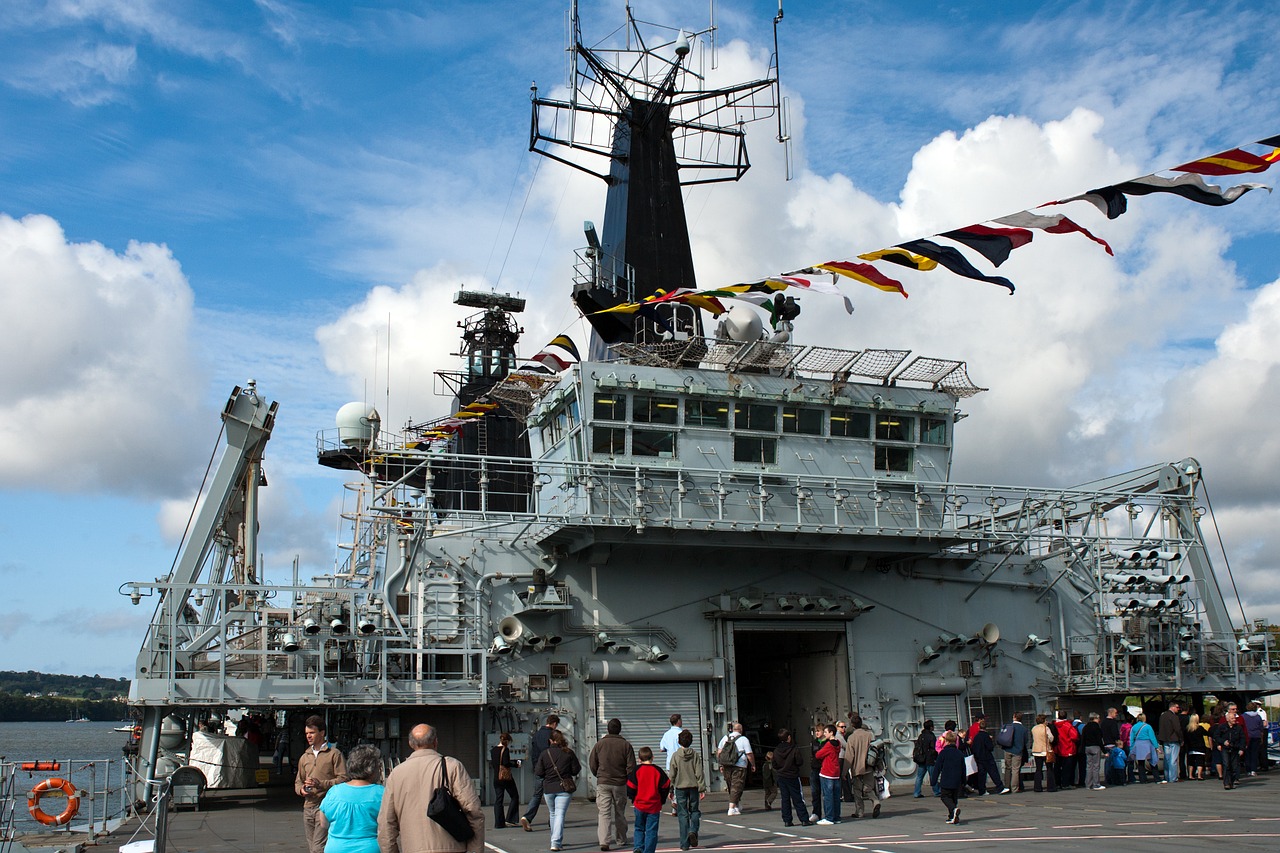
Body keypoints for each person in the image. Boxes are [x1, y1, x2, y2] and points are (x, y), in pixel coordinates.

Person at [377, 723, 484, 853]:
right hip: (452, 847)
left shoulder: (396, 774)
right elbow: (473, 811)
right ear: (435, 741)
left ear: (411, 744)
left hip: (413, 848)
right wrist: (475, 850)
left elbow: (386, 822)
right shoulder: (451, 766)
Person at [297, 715, 348, 853]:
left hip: (325, 806)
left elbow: (343, 778)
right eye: (307, 733)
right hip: (308, 806)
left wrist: (321, 784)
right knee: (312, 846)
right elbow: (298, 781)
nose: (308, 736)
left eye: (312, 733)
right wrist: (301, 790)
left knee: (317, 848)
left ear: (322, 733)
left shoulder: (334, 754)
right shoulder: (304, 757)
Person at [320, 744, 384, 853]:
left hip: (336, 848)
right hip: (369, 848)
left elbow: (324, 823)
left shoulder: (334, 792)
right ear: (372, 768)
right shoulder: (381, 793)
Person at [588, 717, 636, 851]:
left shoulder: (599, 744)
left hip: (603, 782)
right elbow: (631, 766)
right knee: (620, 812)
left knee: (604, 812)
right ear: (620, 730)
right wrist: (626, 777)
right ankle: (621, 839)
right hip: (620, 783)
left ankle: (604, 841)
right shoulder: (626, 745)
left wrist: (598, 774)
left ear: (607, 729)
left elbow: (592, 763)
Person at [533, 730, 581, 852]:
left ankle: (554, 840)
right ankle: (556, 842)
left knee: (553, 813)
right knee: (560, 814)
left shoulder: (545, 753)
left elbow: (538, 772)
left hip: (548, 788)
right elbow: (576, 770)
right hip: (564, 788)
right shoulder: (568, 752)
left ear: (550, 740)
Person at [627, 746, 671, 853]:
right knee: (651, 830)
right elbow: (666, 785)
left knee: (639, 828)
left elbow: (630, 787)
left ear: (639, 759)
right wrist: (662, 799)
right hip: (654, 805)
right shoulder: (658, 771)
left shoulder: (636, 770)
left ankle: (638, 847)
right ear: (652, 757)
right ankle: (649, 850)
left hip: (639, 804)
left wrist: (633, 798)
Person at [520, 714, 560, 831]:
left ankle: (527, 817)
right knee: (554, 795)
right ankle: (553, 819)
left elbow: (533, 752)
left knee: (537, 795)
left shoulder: (536, 734)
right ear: (554, 724)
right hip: (551, 770)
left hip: (538, 768)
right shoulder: (552, 734)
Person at [668, 730, 706, 849]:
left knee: (682, 813)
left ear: (679, 742)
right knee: (694, 811)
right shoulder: (695, 755)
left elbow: (672, 773)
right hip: (693, 786)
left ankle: (684, 844)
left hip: (680, 787)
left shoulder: (675, 755)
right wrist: (702, 788)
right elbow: (699, 772)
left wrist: (670, 788)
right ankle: (693, 831)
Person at [770, 728, 810, 828]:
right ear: (789, 737)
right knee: (797, 798)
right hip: (792, 775)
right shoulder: (794, 749)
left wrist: (780, 768)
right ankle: (804, 819)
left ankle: (787, 820)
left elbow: (774, 764)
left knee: (785, 799)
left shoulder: (776, 750)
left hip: (782, 776)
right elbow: (799, 762)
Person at [843, 715, 880, 819]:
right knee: (868, 787)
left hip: (857, 768)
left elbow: (849, 756)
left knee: (857, 790)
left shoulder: (851, 738)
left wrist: (844, 772)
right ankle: (875, 801)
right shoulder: (869, 735)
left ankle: (859, 812)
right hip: (869, 766)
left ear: (852, 725)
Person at [715, 723, 754, 816]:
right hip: (739, 766)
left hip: (726, 765)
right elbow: (749, 754)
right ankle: (731, 808)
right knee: (737, 786)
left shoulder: (725, 738)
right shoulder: (744, 739)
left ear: (732, 729)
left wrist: (721, 764)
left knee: (730, 785)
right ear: (741, 730)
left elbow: (719, 752)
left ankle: (736, 805)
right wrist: (753, 764)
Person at [935, 731, 966, 825]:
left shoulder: (943, 753)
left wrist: (934, 780)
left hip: (946, 779)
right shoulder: (959, 753)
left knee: (945, 797)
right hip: (957, 780)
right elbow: (963, 768)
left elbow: (937, 767)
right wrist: (963, 780)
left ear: (946, 741)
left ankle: (953, 810)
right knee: (953, 798)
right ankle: (952, 816)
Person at [491, 732, 521, 829]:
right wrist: (515, 764)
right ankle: (510, 819)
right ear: (507, 741)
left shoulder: (493, 750)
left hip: (496, 778)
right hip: (506, 778)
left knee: (499, 800)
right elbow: (506, 763)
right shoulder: (505, 750)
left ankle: (498, 823)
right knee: (515, 796)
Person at [814, 724, 842, 825]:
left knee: (828, 796)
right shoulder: (838, 743)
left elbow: (818, 755)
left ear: (831, 733)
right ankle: (836, 817)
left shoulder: (829, 745)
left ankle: (829, 817)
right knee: (836, 796)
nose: (824, 734)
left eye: (826, 732)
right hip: (836, 772)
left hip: (827, 772)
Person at [1213, 707, 1247, 789]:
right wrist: (1222, 742)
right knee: (1226, 765)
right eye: (1232, 718)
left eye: (1234, 717)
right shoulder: (1222, 727)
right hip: (1225, 748)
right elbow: (1216, 736)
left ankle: (1231, 782)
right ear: (1227, 719)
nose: (1234, 719)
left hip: (1235, 748)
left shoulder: (1238, 728)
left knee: (1234, 767)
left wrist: (1242, 749)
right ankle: (1226, 783)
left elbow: (1243, 738)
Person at [969, 722, 1006, 795]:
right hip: (987, 757)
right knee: (993, 773)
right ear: (986, 728)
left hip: (979, 758)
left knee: (981, 775)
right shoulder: (986, 736)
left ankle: (982, 790)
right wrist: (991, 741)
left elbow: (973, 748)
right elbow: (990, 747)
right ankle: (1000, 787)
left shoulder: (976, 737)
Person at [658, 713, 684, 817]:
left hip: (669, 763)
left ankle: (674, 807)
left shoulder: (666, 734)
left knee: (672, 784)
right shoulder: (681, 733)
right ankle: (678, 804)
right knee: (681, 785)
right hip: (681, 762)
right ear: (678, 721)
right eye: (681, 720)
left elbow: (661, 748)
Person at [1128, 712, 1159, 783]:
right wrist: (1156, 746)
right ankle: (1157, 778)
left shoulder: (1133, 727)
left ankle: (1142, 779)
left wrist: (1131, 747)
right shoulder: (1148, 726)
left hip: (1138, 745)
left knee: (1140, 763)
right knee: (1152, 761)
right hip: (1147, 744)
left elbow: (1131, 738)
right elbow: (1152, 737)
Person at [1156, 701, 1183, 783]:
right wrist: (1181, 739)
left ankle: (1167, 776)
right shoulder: (1174, 717)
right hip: (1174, 739)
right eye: (1177, 707)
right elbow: (1177, 729)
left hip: (1165, 739)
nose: (1178, 709)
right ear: (1173, 707)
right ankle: (1173, 778)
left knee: (1167, 759)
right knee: (1173, 759)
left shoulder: (1162, 716)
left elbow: (1160, 728)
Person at [1001, 712, 1027, 793]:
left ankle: (1006, 786)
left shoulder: (1008, 726)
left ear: (1014, 717)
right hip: (1017, 750)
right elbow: (1025, 741)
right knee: (1015, 769)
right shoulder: (1023, 729)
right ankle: (1014, 788)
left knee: (1007, 768)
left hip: (1007, 749)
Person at [1029, 714, 1056, 793]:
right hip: (1045, 750)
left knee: (1038, 769)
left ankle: (1037, 787)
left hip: (1036, 751)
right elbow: (1051, 738)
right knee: (1049, 769)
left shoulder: (1033, 728)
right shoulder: (1046, 728)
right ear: (1044, 721)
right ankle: (1051, 787)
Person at [1052, 711, 1078, 790]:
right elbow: (1074, 736)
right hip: (1067, 748)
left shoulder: (1054, 725)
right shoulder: (1067, 725)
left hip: (1057, 749)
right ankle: (1066, 784)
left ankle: (1057, 783)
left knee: (1057, 768)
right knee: (1067, 768)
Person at [1080, 712, 1106, 790]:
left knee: (1089, 767)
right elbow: (1099, 740)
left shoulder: (1085, 727)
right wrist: (1104, 751)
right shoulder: (1096, 727)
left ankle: (1088, 784)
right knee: (1096, 766)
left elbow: (1083, 738)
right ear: (1096, 718)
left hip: (1087, 748)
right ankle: (1096, 784)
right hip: (1095, 747)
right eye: (1098, 718)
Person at [911, 720, 936, 798]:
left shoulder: (921, 736)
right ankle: (937, 791)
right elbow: (933, 748)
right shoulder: (931, 736)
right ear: (931, 727)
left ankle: (916, 792)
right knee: (933, 776)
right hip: (930, 759)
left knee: (919, 777)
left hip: (921, 759)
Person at [1243, 702, 1266, 776]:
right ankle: (1253, 770)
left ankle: (1248, 770)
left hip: (1247, 736)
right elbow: (1261, 728)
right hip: (1256, 736)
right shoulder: (1258, 716)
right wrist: (1261, 738)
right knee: (1254, 753)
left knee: (1247, 753)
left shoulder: (1243, 716)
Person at [808, 724, 826, 817]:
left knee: (826, 793)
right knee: (815, 792)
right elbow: (813, 754)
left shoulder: (827, 742)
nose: (817, 733)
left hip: (824, 769)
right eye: (816, 731)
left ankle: (828, 813)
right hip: (815, 769)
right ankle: (816, 812)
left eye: (818, 731)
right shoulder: (814, 742)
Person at [1185, 714, 1209, 781]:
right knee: (1200, 762)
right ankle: (1199, 775)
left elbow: (1185, 738)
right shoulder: (1200, 728)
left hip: (1190, 747)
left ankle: (1190, 775)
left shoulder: (1187, 729)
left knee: (1191, 762)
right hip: (1199, 747)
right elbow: (1207, 733)